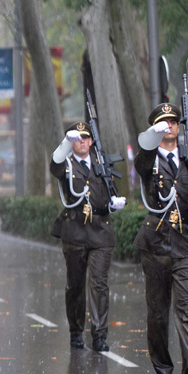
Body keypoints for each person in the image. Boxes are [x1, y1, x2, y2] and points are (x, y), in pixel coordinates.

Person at [133, 102, 188, 374]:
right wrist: (150, 139)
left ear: (179, 127)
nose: (169, 125)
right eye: (163, 121)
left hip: (186, 244)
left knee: (187, 309)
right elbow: (140, 164)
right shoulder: (150, 160)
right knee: (157, 313)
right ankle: (163, 369)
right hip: (155, 243)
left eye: (172, 121)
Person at [50, 122, 126, 352]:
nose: (81, 141)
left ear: (91, 141)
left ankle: (99, 335)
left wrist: (113, 204)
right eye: (77, 138)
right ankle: (76, 331)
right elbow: (54, 166)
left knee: (99, 284)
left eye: (85, 137)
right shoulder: (66, 163)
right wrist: (65, 143)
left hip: (101, 231)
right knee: (75, 285)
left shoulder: (103, 162)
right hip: (74, 231)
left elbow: (109, 189)